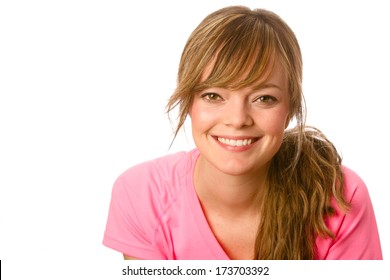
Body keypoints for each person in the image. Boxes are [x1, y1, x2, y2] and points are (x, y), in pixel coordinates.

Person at [102, 6, 382, 260]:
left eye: (264, 98)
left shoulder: (340, 195)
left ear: (291, 108)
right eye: (213, 95)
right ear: (189, 103)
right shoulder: (140, 194)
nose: (237, 120)